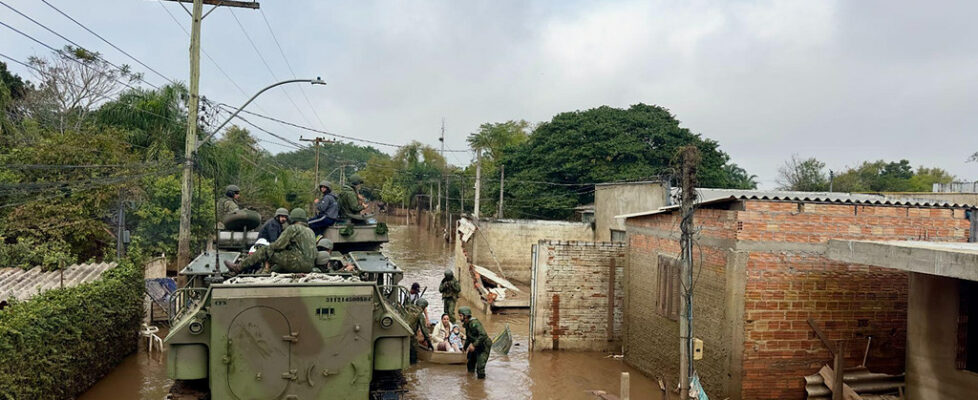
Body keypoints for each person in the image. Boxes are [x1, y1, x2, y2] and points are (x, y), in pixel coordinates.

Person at [224, 208, 316, 274]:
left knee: (265, 251)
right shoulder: (310, 231)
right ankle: (268, 273)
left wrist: (266, 249)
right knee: (277, 267)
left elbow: (278, 245)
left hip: (297, 263)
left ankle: (238, 267)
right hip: (309, 266)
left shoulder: (293, 228)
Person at [459, 306, 491, 379]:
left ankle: (481, 384)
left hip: (484, 346)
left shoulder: (474, 323)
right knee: (470, 364)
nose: (460, 318)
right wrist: (464, 347)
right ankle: (470, 382)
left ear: (466, 316)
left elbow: (483, 335)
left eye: (461, 316)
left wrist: (473, 345)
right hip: (476, 345)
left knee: (480, 368)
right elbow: (468, 338)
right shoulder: (467, 324)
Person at [405, 298, 430, 364]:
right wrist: (428, 341)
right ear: (423, 306)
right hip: (410, 334)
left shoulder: (407, 307)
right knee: (414, 351)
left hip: (402, 331)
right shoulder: (420, 315)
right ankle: (413, 366)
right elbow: (424, 330)